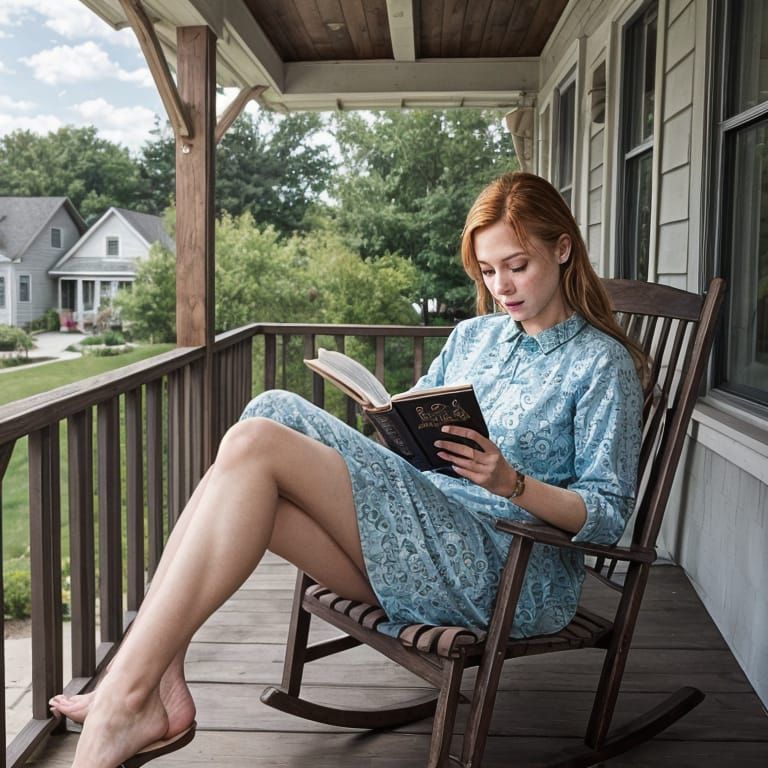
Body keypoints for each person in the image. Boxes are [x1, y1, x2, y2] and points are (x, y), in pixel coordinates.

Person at [52, 171, 645, 768]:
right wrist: (389, 423)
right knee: (267, 421)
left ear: (562, 247)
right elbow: (409, 426)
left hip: (510, 574)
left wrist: (510, 482)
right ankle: (158, 678)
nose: (502, 287)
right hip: (421, 542)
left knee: (259, 436)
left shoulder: (601, 364)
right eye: (488, 272)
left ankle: (126, 695)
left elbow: (607, 515)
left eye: (517, 266)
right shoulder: (474, 337)